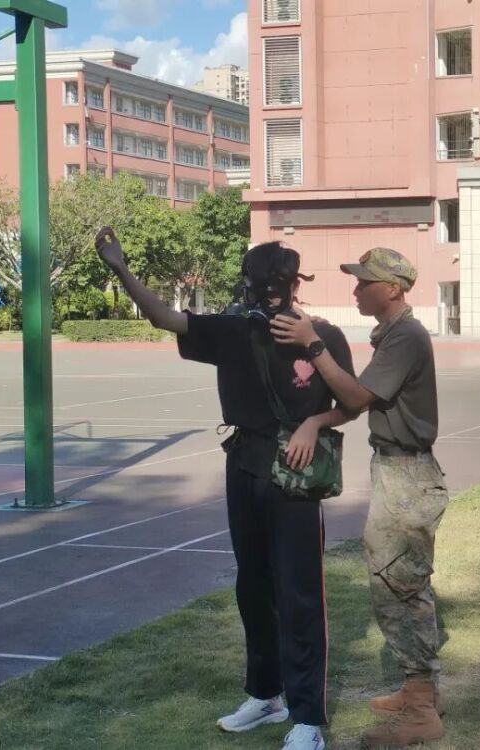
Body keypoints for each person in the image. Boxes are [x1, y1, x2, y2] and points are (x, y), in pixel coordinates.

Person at [95, 227, 355, 750]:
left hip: (296, 477)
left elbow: (353, 402)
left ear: (290, 284)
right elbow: (164, 317)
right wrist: (120, 269)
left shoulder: (323, 335)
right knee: (252, 589)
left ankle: (307, 718)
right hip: (244, 467)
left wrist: (314, 421)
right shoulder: (233, 330)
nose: (268, 293)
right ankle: (266, 694)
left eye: (274, 283)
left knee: (300, 594)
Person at [270, 247, 448, 748]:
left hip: (406, 475)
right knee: (401, 582)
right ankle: (420, 691)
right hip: (399, 471)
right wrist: (315, 418)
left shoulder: (406, 337)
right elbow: (356, 403)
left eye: (364, 283)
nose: (356, 289)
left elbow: (355, 398)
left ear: (391, 288)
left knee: (399, 586)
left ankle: (421, 711)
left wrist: (312, 344)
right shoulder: (395, 334)